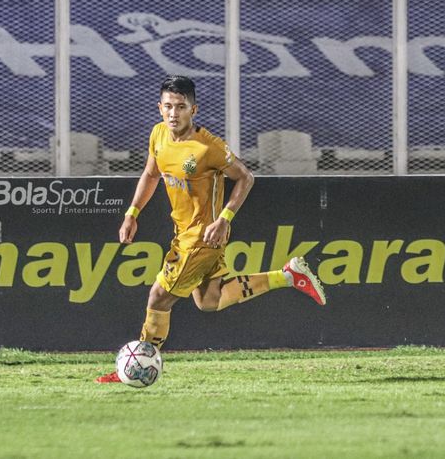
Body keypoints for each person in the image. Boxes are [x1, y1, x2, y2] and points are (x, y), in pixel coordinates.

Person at [96, 75, 326, 383]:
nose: (173, 113)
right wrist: (132, 213)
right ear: (159, 108)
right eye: (168, 107)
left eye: (181, 107)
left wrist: (224, 219)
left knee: (158, 297)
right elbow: (151, 174)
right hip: (184, 233)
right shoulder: (158, 135)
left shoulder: (208, 148)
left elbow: (245, 177)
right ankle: (288, 275)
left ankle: (137, 366)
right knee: (209, 300)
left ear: (194, 110)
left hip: (203, 236)